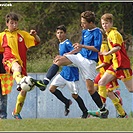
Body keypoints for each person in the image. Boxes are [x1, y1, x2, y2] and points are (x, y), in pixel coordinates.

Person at [37, 11, 109, 118]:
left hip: (89, 62)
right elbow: (79, 47)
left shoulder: (97, 32)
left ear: (90, 22)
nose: (82, 25)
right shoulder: (85, 31)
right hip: (80, 57)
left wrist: (82, 46)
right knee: (59, 60)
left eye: (84, 22)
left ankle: (103, 110)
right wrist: (68, 54)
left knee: (90, 89)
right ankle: (44, 82)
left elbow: (96, 48)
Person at [0, 12, 45, 120]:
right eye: (12, 23)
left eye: (16, 23)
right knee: (17, 68)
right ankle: (21, 82)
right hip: (8, 60)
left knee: (24, 90)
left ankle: (16, 113)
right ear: (7, 23)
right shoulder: (2, 36)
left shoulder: (22, 34)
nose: (14, 25)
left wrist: (34, 35)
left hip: (22, 63)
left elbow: (37, 41)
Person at [89, 13, 133, 118]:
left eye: (106, 23)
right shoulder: (109, 34)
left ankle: (120, 113)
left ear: (111, 23)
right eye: (103, 24)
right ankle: (102, 109)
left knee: (131, 89)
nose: (104, 25)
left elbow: (117, 48)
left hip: (122, 65)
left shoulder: (114, 33)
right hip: (115, 65)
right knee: (101, 82)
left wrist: (107, 53)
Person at [49, 25, 89, 118]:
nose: (59, 35)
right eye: (58, 33)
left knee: (75, 95)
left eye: (61, 33)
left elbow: (76, 52)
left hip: (72, 74)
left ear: (65, 33)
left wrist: (67, 54)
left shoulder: (67, 43)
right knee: (52, 89)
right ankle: (66, 102)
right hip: (64, 73)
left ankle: (85, 112)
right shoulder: (60, 44)